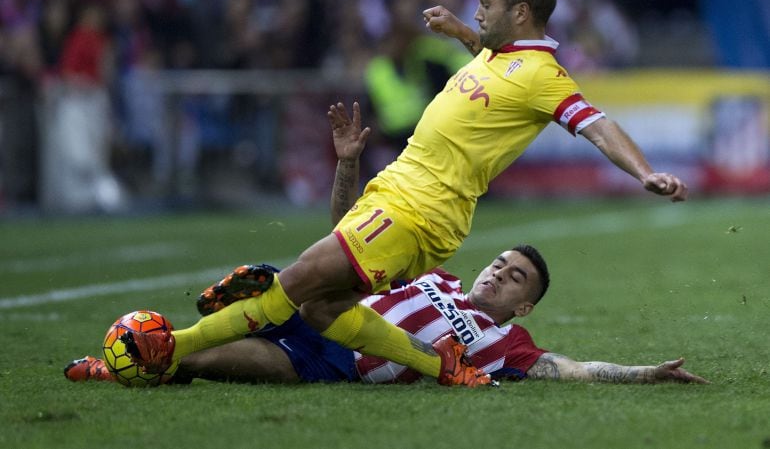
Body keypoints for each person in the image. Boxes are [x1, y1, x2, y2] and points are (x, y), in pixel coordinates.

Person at [121, 0, 688, 388]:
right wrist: (460, 34)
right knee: (320, 306)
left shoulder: (546, 75)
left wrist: (645, 173)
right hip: (394, 187)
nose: (477, 11)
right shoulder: (497, 56)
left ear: (520, 12)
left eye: (485, 3)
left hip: (422, 208)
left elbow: (597, 124)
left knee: (292, 284)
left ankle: (163, 349)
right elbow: (494, 58)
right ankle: (436, 363)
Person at [65, 246, 707, 386]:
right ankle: (146, 350)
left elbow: (572, 369)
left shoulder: (507, 343)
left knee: (199, 361)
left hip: (331, 357)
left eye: (515, 277)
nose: (498, 272)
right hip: (324, 305)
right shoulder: (437, 275)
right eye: (501, 262)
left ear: (524, 304)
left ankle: (120, 364)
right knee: (305, 285)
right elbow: (347, 241)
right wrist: (347, 162)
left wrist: (646, 373)